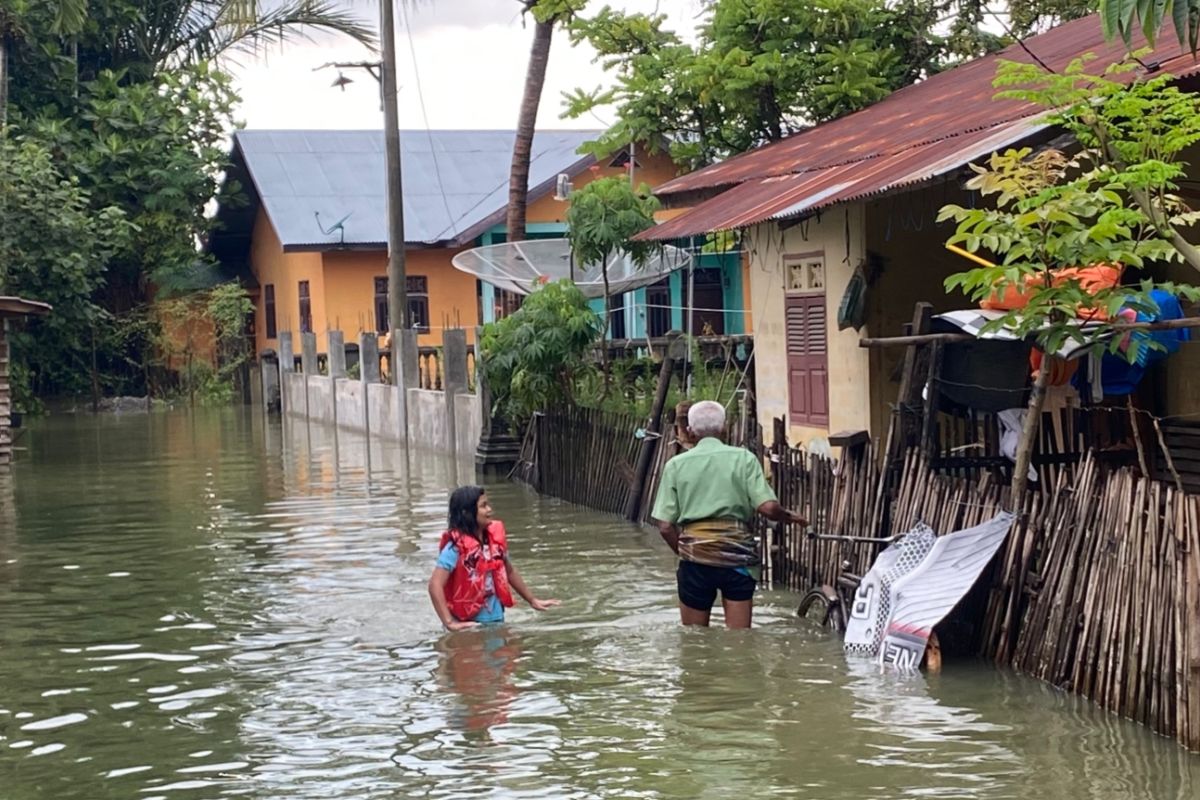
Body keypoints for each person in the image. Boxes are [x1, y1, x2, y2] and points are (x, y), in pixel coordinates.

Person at [651, 400, 805, 629]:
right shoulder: (744, 459)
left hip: (695, 560)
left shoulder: (675, 465)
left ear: (690, 430)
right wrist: (792, 517)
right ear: (725, 428)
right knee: (739, 639)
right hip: (737, 557)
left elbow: (665, 526)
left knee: (695, 640)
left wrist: (687, 552)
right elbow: (768, 508)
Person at [428, 485, 559, 631]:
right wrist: (449, 622)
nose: (489, 510)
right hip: (468, 625)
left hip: (496, 618)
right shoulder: (455, 548)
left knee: (505, 653)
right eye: (483, 506)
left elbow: (509, 572)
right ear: (467, 513)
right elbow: (435, 585)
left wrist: (532, 600)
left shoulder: (494, 543)